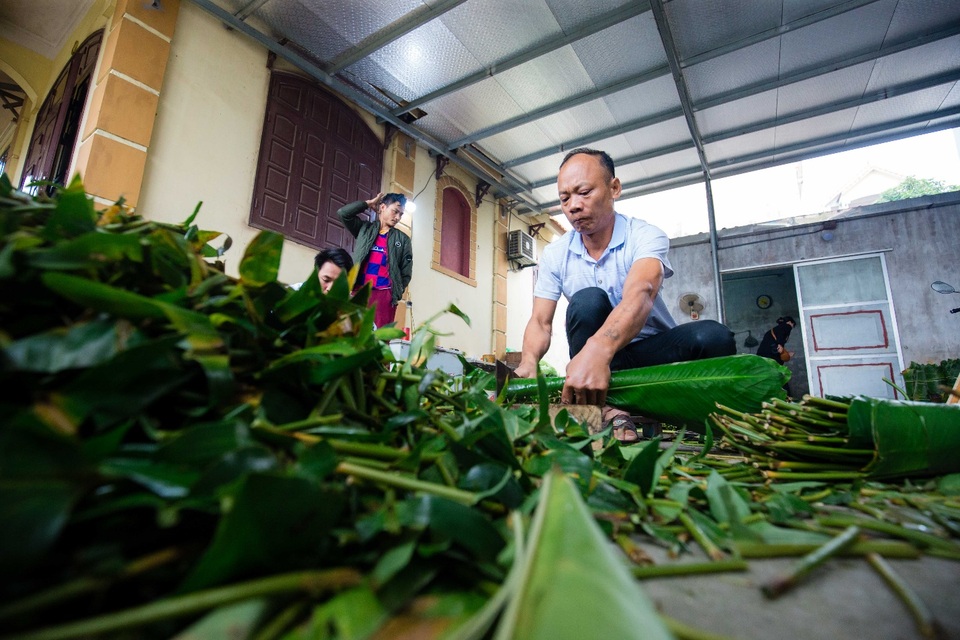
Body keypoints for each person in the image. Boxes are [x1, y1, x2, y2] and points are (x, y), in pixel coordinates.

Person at [513, 148, 735, 443]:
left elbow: (641, 293)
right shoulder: (556, 254)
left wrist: (598, 350)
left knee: (714, 337)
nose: (574, 206)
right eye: (565, 199)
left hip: (651, 357)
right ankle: (609, 409)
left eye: (584, 193)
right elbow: (540, 322)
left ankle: (706, 416)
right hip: (599, 364)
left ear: (614, 188)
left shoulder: (644, 235)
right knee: (587, 300)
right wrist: (528, 362)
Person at [338, 193, 413, 327]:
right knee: (351, 332)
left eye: (401, 214)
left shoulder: (403, 240)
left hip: (384, 295)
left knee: (379, 336)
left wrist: (394, 293)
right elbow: (343, 214)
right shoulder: (364, 229)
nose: (397, 217)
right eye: (395, 211)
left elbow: (406, 272)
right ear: (383, 207)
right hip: (358, 292)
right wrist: (367, 204)